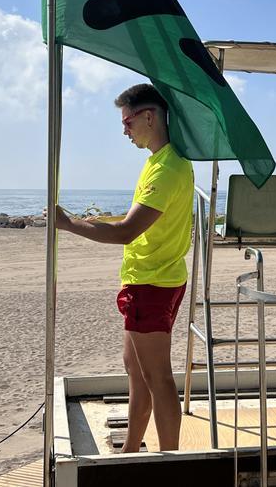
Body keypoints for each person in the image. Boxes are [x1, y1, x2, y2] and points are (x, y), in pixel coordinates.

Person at [54, 84, 192, 453]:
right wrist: (99, 219)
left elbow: (127, 231)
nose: (124, 130)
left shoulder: (168, 170)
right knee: (136, 370)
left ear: (149, 116)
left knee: (158, 377)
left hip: (153, 283)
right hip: (149, 279)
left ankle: (170, 458)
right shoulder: (159, 162)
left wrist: (68, 224)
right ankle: (132, 449)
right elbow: (141, 220)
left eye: (127, 122)